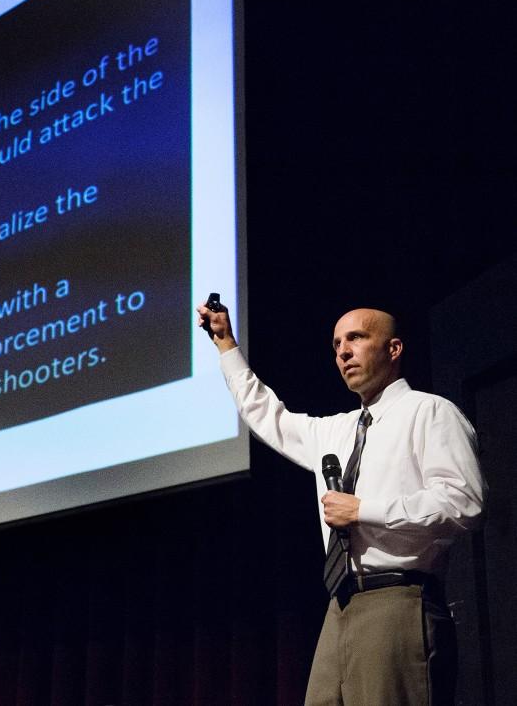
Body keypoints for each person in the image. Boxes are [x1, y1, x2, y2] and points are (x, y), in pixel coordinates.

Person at [196, 302, 485, 706]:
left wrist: (363, 510)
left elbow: (464, 502)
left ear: (394, 349)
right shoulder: (336, 429)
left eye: (356, 338)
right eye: (336, 345)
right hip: (341, 605)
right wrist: (226, 344)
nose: (343, 352)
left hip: (399, 599)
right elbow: (265, 413)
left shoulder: (430, 411)